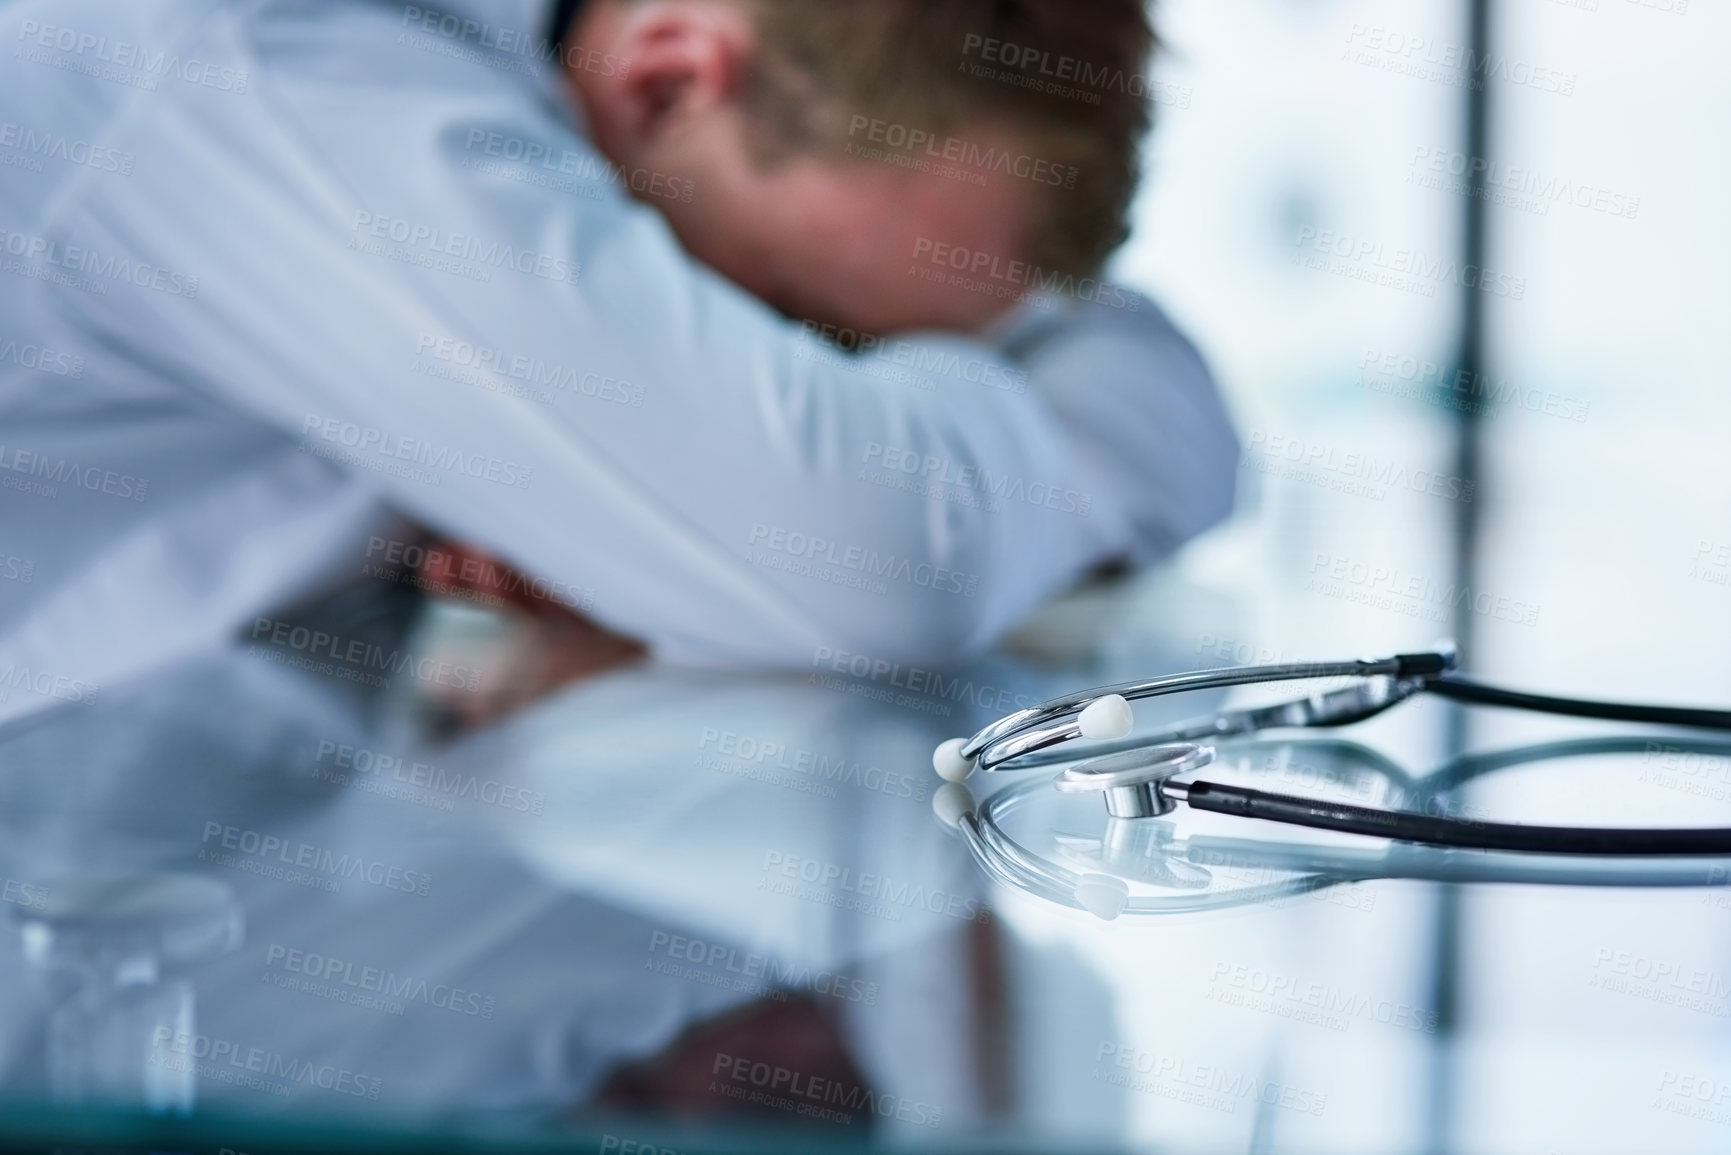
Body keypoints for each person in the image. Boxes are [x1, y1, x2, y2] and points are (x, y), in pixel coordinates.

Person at [0, 0, 1239, 725]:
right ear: (667, 80)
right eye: (792, 318)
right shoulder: (262, 67)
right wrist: (895, 482)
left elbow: (1162, 376)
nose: (800, 383)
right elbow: (878, 553)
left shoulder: (570, 88)